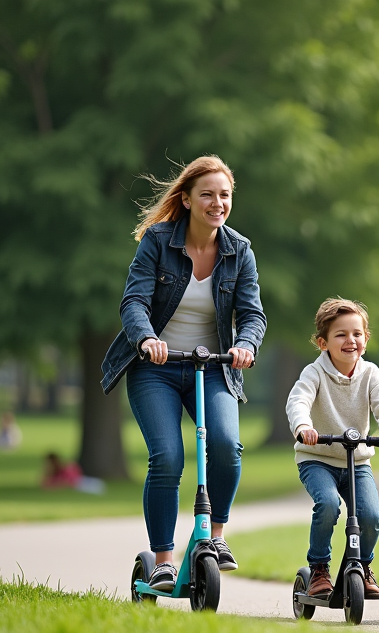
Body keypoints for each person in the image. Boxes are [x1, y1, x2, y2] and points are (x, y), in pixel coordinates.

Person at [99, 155, 267, 593]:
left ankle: (217, 538)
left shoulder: (240, 250)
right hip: (155, 366)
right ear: (188, 199)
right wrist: (146, 339)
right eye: (208, 194)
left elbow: (252, 315)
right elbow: (133, 301)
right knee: (168, 457)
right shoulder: (157, 241)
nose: (217, 203)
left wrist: (245, 345)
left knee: (228, 447)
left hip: (211, 366)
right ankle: (163, 560)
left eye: (225, 195)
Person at [286, 298, 379, 599]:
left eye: (357, 334)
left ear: (365, 338)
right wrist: (303, 427)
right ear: (323, 342)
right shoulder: (314, 373)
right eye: (341, 335)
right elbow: (298, 401)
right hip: (318, 458)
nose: (350, 340)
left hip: (357, 461)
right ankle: (319, 568)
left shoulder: (371, 374)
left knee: (371, 516)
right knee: (327, 505)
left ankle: (362, 565)